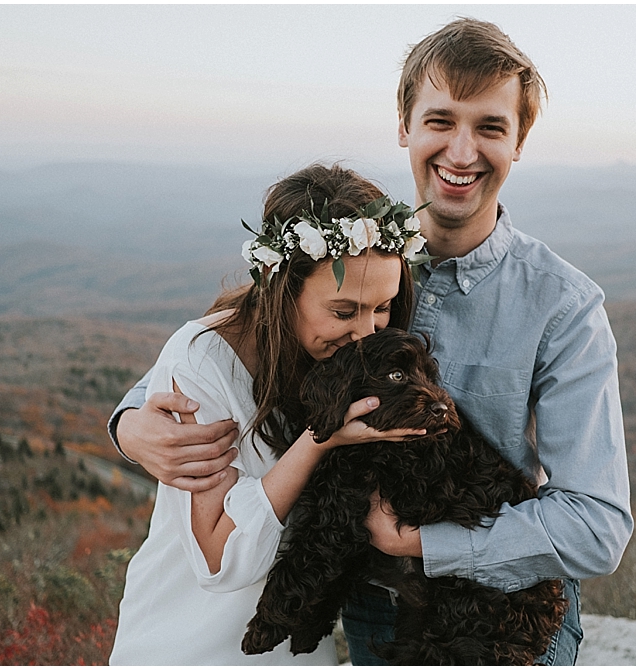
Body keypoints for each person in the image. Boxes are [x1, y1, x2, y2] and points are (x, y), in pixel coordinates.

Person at [110, 18, 633, 666]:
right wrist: (130, 421)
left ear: (519, 140)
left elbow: (598, 526)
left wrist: (422, 543)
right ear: (404, 126)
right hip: (369, 611)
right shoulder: (356, 257)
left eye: (490, 127)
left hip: (502, 612)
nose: (462, 152)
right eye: (440, 121)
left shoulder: (563, 306)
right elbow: (249, 333)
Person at [108, 164, 427, 665]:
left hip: (295, 649)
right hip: (189, 643)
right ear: (282, 291)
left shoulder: (347, 362)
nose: (368, 333)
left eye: (383, 306)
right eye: (344, 312)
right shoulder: (201, 362)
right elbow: (221, 561)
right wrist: (319, 440)